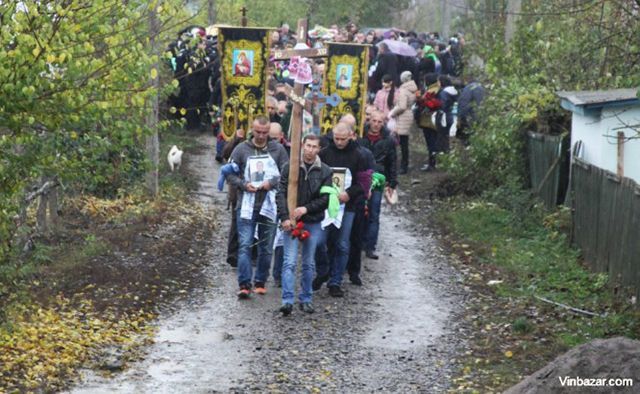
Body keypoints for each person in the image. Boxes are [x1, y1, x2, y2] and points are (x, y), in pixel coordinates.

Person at [226, 116, 289, 299]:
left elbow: (286, 173)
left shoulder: (278, 150)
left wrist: (271, 182)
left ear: (269, 132)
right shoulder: (241, 149)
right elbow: (229, 173)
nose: (261, 136)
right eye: (258, 132)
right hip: (246, 205)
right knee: (245, 245)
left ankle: (260, 280)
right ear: (252, 130)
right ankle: (244, 283)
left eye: (265, 132)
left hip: (269, 206)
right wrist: (244, 185)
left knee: (266, 247)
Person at [276, 134, 332, 315]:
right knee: (289, 262)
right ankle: (287, 300)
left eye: (314, 147)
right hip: (291, 220)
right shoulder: (289, 167)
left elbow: (326, 198)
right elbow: (281, 193)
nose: (310, 150)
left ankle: (306, 298)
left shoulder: (325, 171)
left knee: (308, 263)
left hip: (312, 221)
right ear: (302, 145)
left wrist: (306, 209)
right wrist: (284, 217)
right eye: (308, 146)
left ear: (319, 149)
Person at [313, 123, 367, 297]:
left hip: (348, 206)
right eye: (336, 138)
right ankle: (323, 271)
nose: (340, 142)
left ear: (351, 136)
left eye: (343, 139)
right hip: (325, 204)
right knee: (319, 241)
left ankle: (335, 281)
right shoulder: (324, 154)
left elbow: (364, 183)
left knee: (342, 244)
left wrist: (349, 194)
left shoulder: (359, 155)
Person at [359, 111, 397, 259]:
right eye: (374, 121)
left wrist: (392, 182)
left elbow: (392, 162)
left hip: (379, 178)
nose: (376, 124)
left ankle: (370, 246)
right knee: (360, 210)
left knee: (374, 211)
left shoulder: (388, 140)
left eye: (379, 122)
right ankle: (360, 241)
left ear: (383, 123)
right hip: (362, 176)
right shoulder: (361, 137)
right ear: (369, 121)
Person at [389, 71, 418, 174]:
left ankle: (403, 165)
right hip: (409, 114)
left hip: (403, 116)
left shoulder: (403, 90)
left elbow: (402, 106)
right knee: (404, 142)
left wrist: (393, 112)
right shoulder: (412, 88)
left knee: (402, 142)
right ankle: (404, 164)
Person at [456, 77, 485, 145]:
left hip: (463, 114)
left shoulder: (466, 88)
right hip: (470, 114)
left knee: (466, 136)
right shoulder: (478, 87)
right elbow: (479, 104)